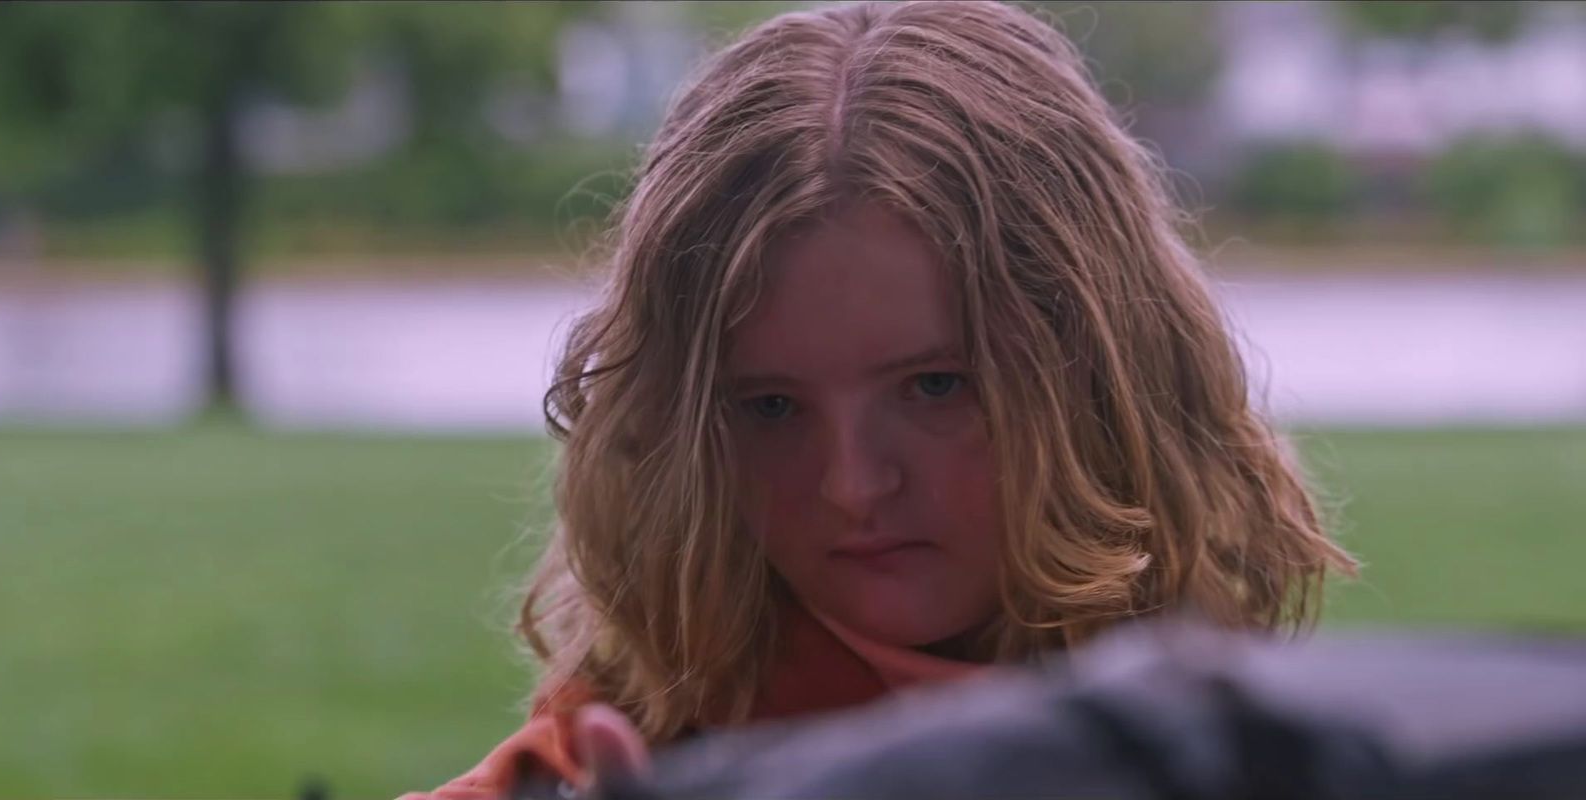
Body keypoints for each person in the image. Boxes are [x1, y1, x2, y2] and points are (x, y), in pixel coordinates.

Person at [402, 2, 1356, 797]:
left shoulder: (1264, 751)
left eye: (935, 387)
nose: (851, 485)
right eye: (770, 408)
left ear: (1100, 376)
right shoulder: (624, 764)